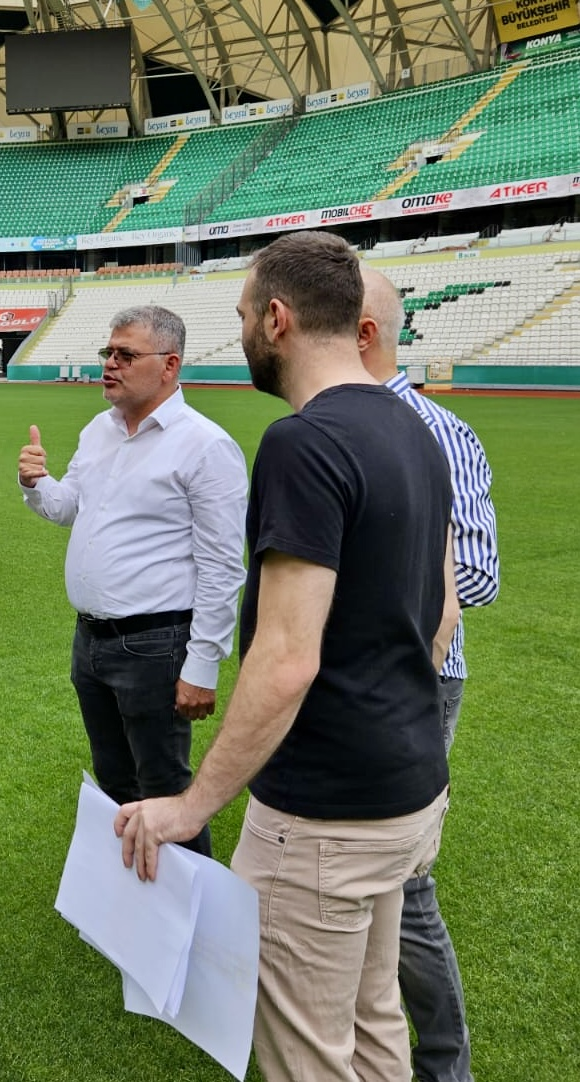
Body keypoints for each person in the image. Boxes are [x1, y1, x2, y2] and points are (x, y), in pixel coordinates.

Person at [115, 233, 461, 1082]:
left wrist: (191, 805)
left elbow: (286, 656)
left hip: (323, 818)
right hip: (407, 789)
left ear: (277, 318)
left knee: (308, 1057)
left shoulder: (303, 443)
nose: (240, 333)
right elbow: (443, 613)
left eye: (243, 315)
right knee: (374, 1025)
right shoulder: (417, 429)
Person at [18, 304, 247, 857]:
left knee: (165, 791)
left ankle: (190, 904)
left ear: (169, 366)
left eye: (125, 355)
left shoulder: (206, 446)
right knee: (115, 781)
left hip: (155, 645)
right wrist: (35, 482)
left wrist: (202, 666)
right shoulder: (99, 430)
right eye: (108, 352)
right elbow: (69, 507)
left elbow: (222, 567)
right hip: (90, 641)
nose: (109, 364)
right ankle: (133, 895)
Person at [359, 266, 499, 1082]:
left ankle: (446, 1066)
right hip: (344, 684)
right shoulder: (324, 422)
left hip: (417, 680)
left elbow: (477, 573)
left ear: (362, 332)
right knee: (357, 875)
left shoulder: (439, 432)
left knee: (404, 883)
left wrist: (352, 601)